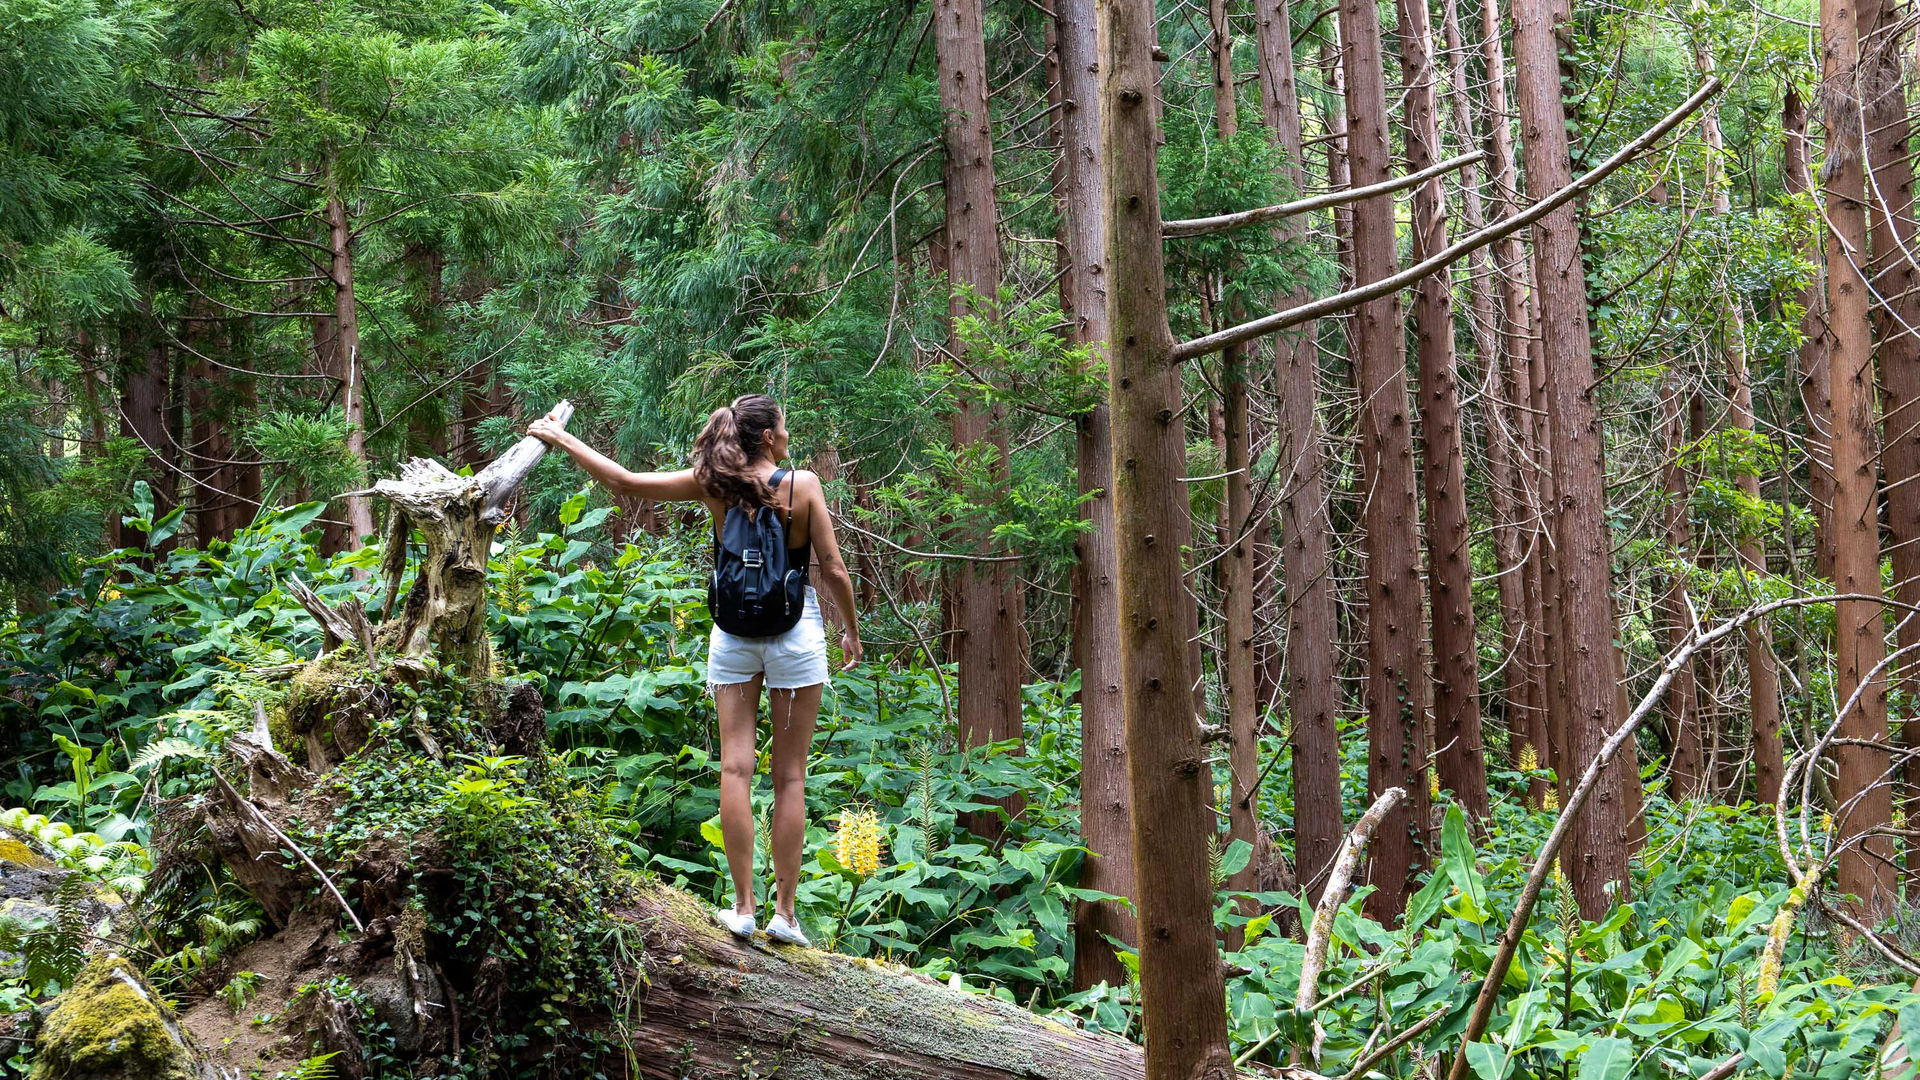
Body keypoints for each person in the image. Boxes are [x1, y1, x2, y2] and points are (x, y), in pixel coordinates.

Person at [528, 394, 862, 947]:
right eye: (783, 429)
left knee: (735, 769)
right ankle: (785, 915)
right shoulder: (802, 486)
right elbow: (832, 567)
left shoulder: (716, 485)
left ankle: (742, 908)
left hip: (732, 633)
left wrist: (559, 437)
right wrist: (849, 627)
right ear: (767, 438)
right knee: (791, 778)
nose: (787, 438)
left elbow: (625, 482)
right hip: (795, 631)